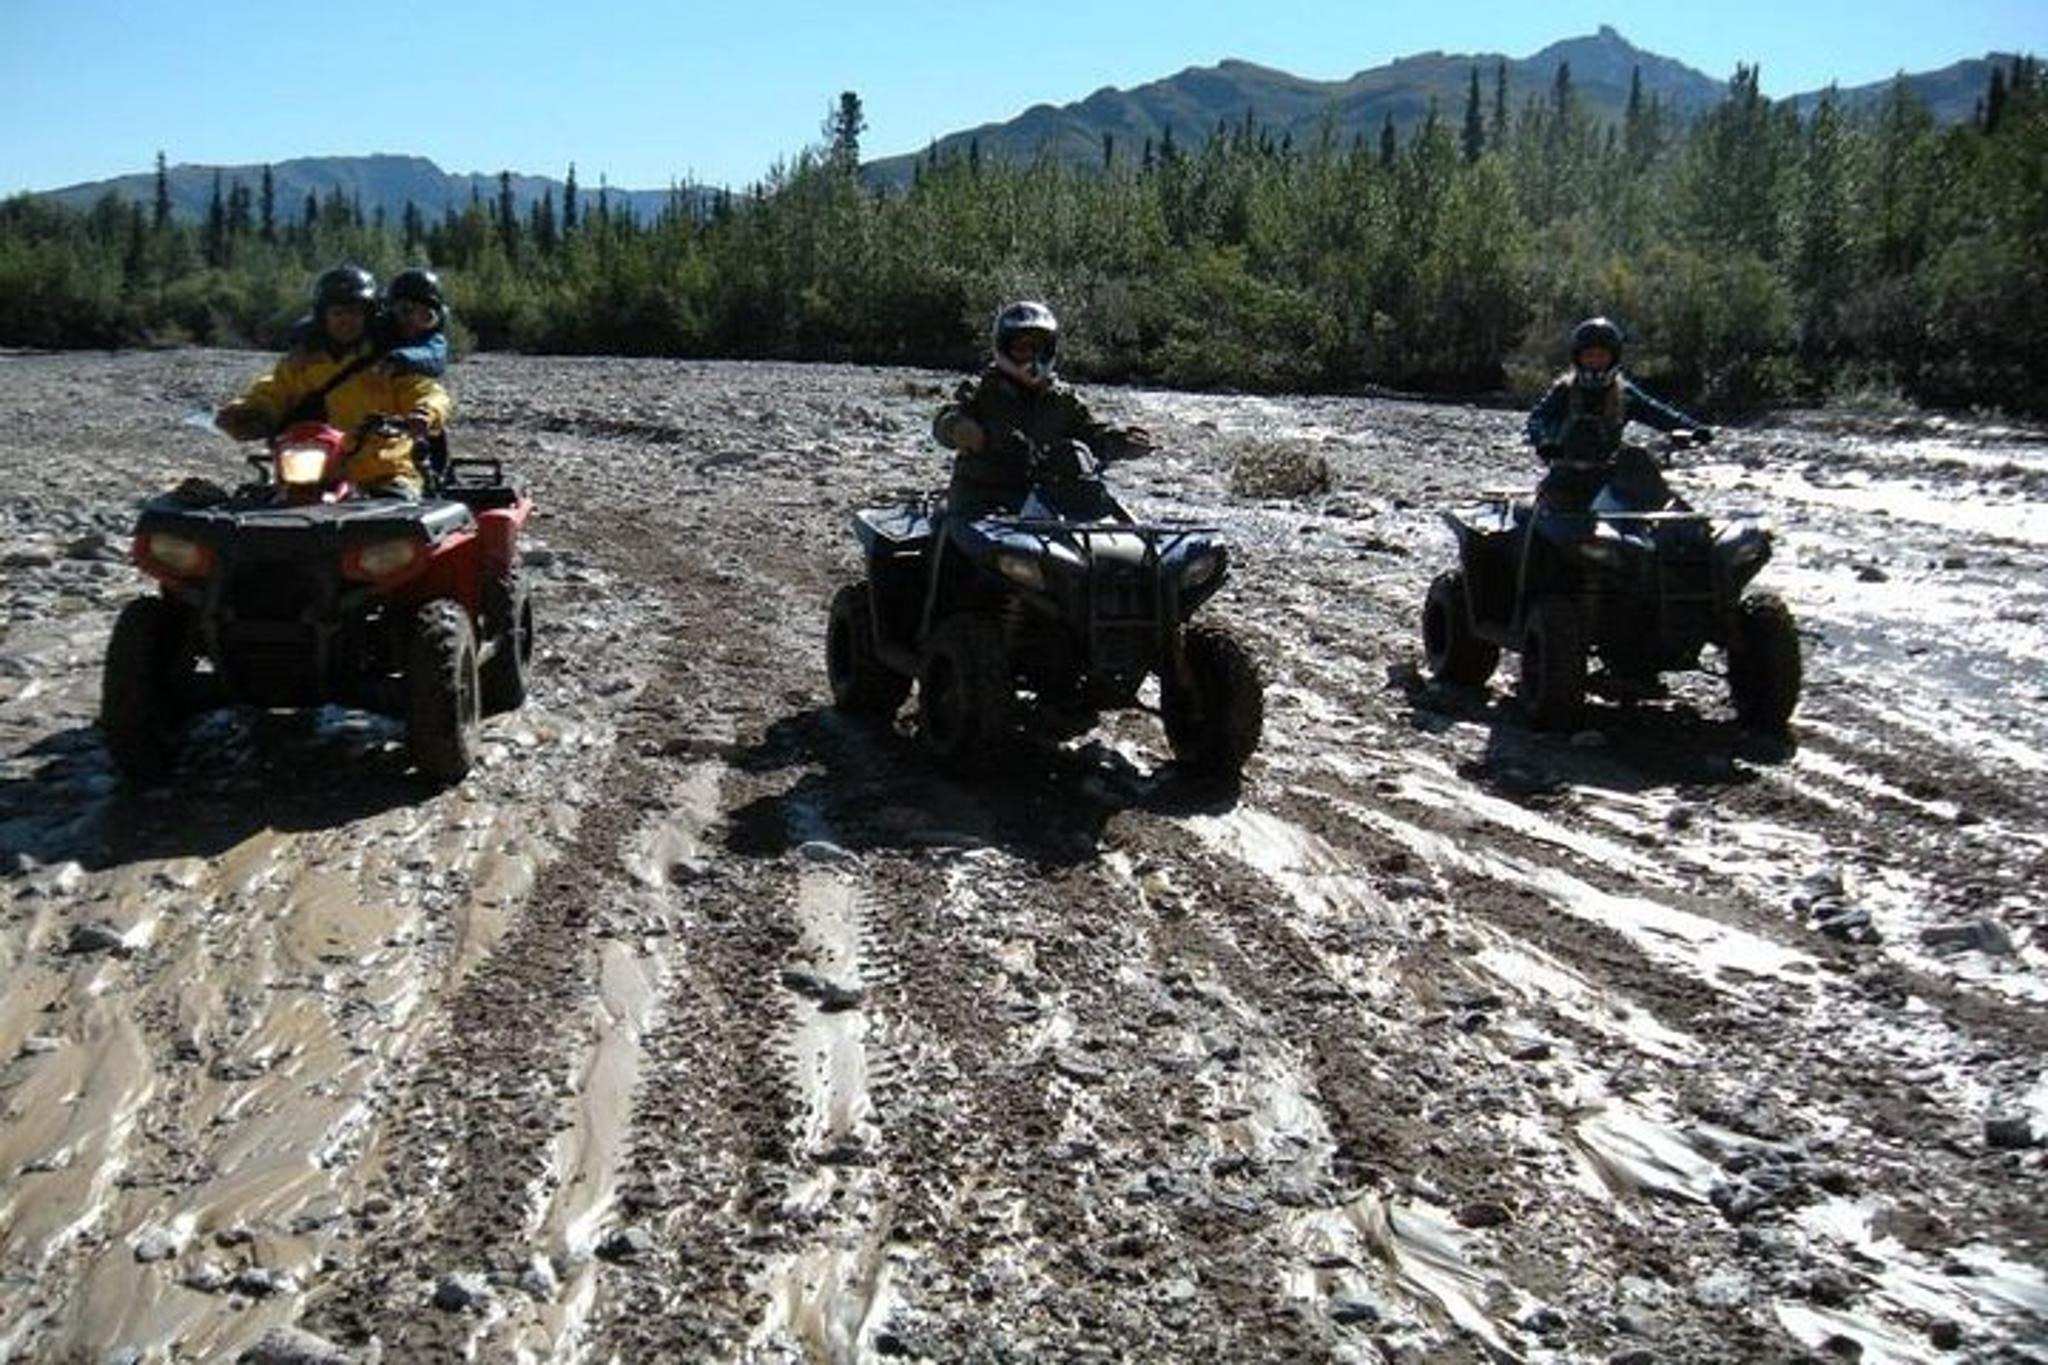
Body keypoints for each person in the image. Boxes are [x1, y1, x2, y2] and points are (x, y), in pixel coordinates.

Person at [214, 265, 451, 497]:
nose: (347, 320)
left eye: (355, 313)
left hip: (384, 473)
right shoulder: (304, 360)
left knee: (395, 514)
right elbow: (274, 389)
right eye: (338, 313)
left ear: (369, 316)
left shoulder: (387, 360)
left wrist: (424, 413)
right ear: (323, 316)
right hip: (314, 471)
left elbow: (428, 392)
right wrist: (249, 411)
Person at [932, 300, 1154, 517]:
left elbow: (1092, 432)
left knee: (1073, 455)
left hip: (1044, 501)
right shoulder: (980, 390)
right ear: (1003, 348)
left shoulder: (1064, 398)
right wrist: (957, 427)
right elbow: (946, 419)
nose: (1032, 357)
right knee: (958, 525)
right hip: (983, 500)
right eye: (1021, 348)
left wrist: (1121, 441)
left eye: (1038, 348)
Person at [1524, 317, 1711, 512]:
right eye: (1589, 356)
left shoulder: (1624, 393)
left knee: (1640, 465)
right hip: (1566, 477)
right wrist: (1544, 441)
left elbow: (1659, 414)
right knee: (1553, 515)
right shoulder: (1564, 391)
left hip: (1609, 477)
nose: (1595, 362)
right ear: (1578, 358)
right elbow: (1537, 419)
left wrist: (1695, 430)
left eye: (1601, 356)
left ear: (1613, 357)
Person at [280, 263, 449, 378]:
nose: (413, 322)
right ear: (389, 309)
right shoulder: (380, 326)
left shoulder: (432, 340)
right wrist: (300, 343)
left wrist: (400, 360)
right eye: (406, 311)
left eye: (427, 317)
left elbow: (434, 356)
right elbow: (312, 325)